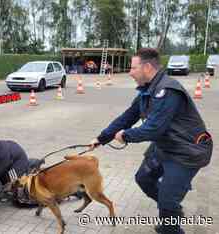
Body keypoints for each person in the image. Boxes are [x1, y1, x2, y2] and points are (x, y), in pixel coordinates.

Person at [90, 48, 213, 234]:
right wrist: (101, 138)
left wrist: (125, 136)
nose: (129, 72)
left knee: (167, 200)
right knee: (144, 179)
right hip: (165, 146)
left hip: (187, 152)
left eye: (132, 68)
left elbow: (154, 128)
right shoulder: (147, 91)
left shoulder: (167, 90)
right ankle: (171, 212)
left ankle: (170, 222)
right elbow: (127, 117)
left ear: (147, 67)